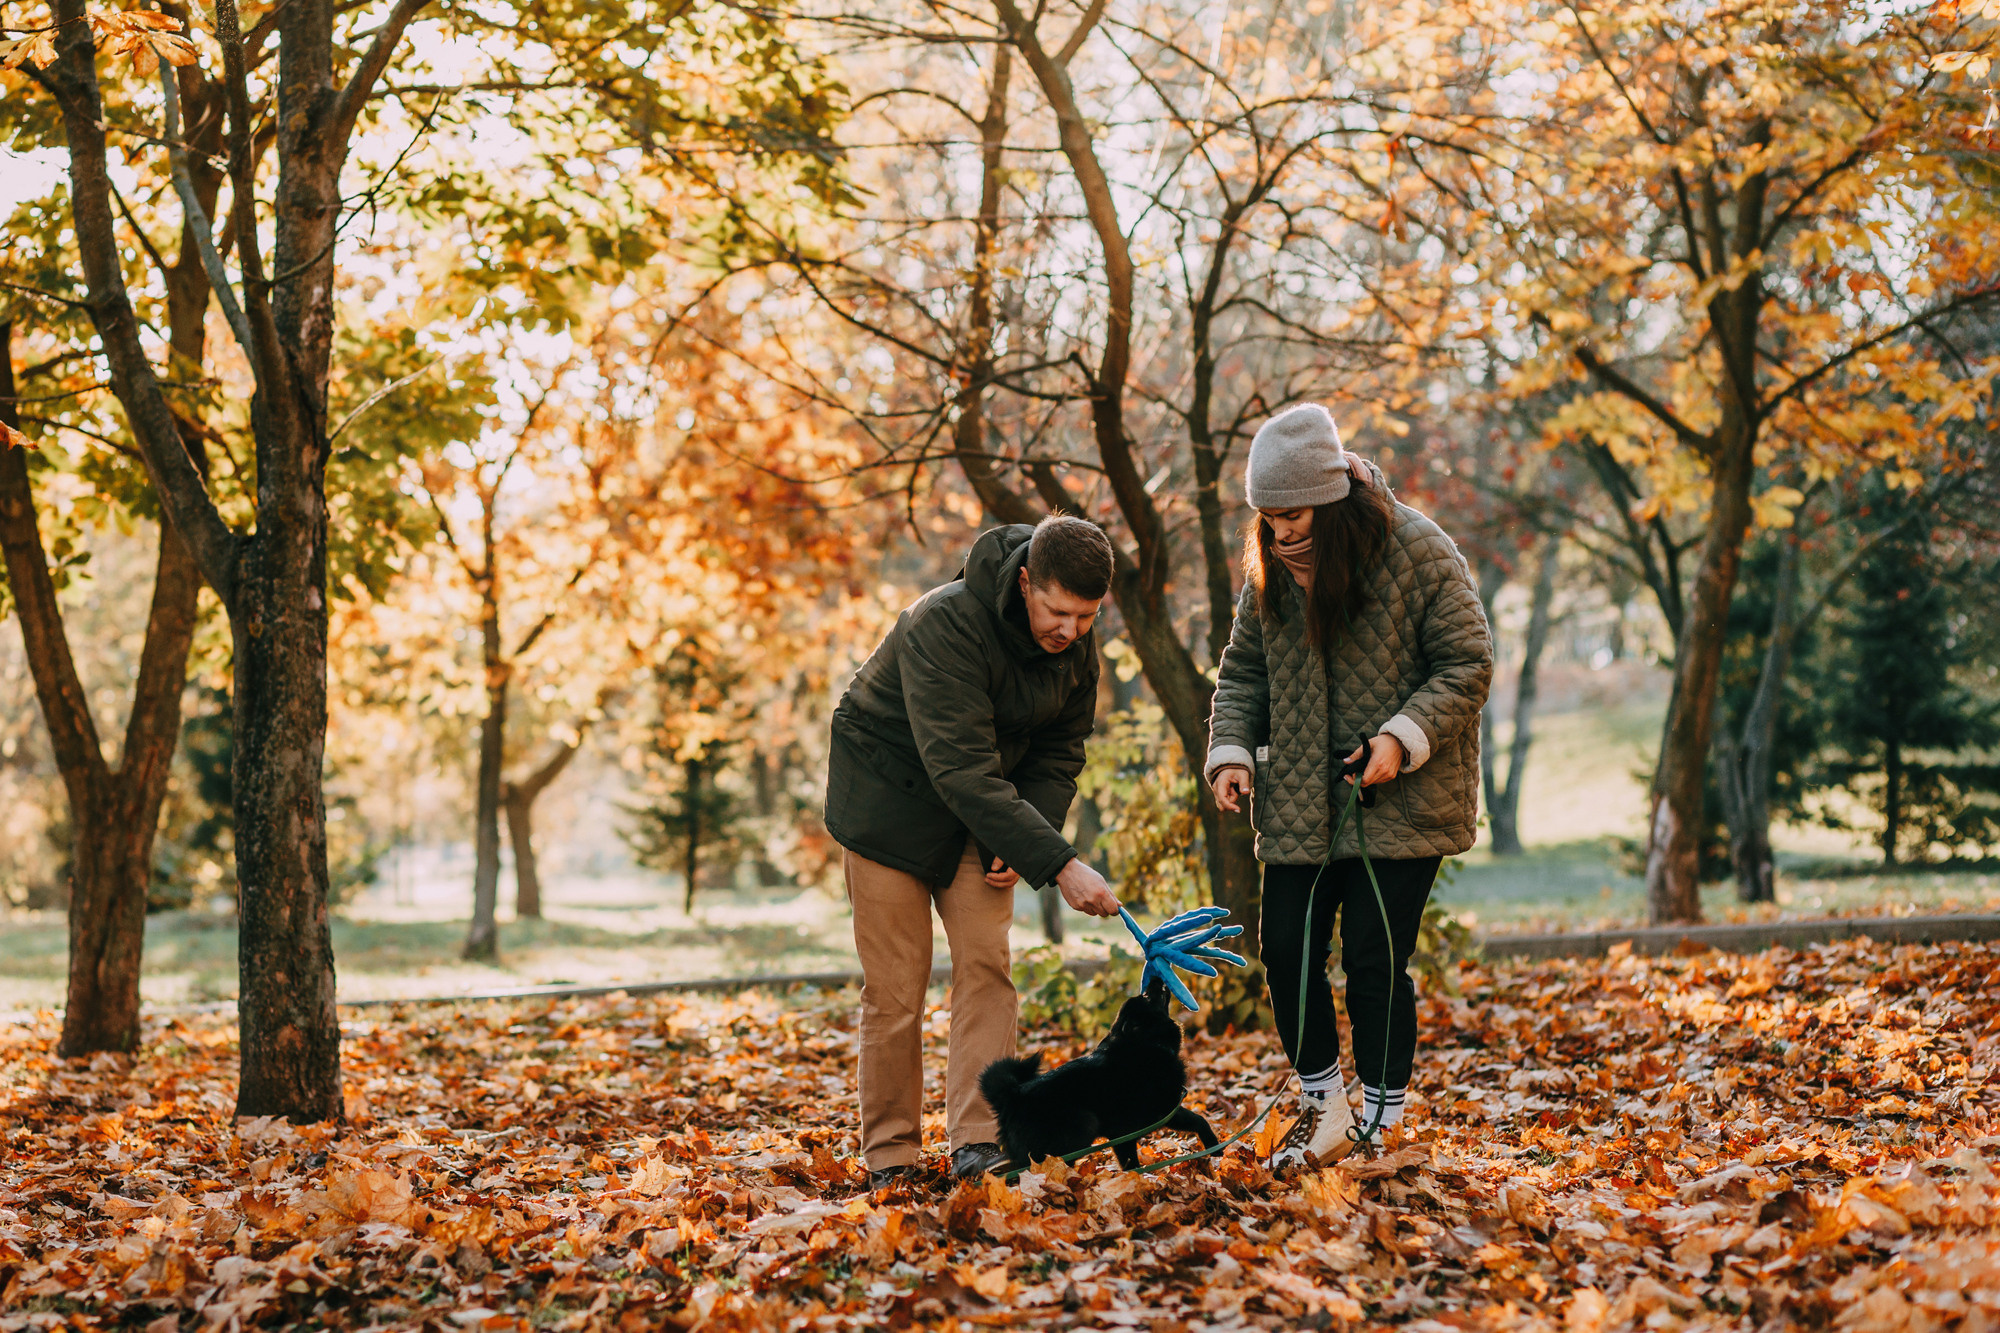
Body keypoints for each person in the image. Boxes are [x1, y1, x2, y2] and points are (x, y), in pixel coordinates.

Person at [1206, 404, 1492, 1170]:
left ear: (1330, 498)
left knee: (1373, 954)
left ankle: (1382, 1116)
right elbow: (1243, 671)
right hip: (1300, 795)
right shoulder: (1267, 572)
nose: (1280, 533)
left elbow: (1467, 661)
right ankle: (1324, 1103)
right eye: (1266, 520)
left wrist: (1402, 738)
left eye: (1293, 515)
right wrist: (1231, 750)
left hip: (1403, 798)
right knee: (1286, 950)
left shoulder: (1419, 548)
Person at [826, 515, 1124, 1188]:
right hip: (889, 805)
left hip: (981, 810)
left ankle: (979, 1142)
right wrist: (1059, 862)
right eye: (1057, 611)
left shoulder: (1077, 646)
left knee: (988, 965)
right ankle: (892, 1154)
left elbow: (1059, 751)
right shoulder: (943, 622)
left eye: (1086, 616)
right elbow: (958, 768)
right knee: (898, 986)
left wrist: (1027, 835)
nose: (1070, 631)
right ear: (1024, 582)